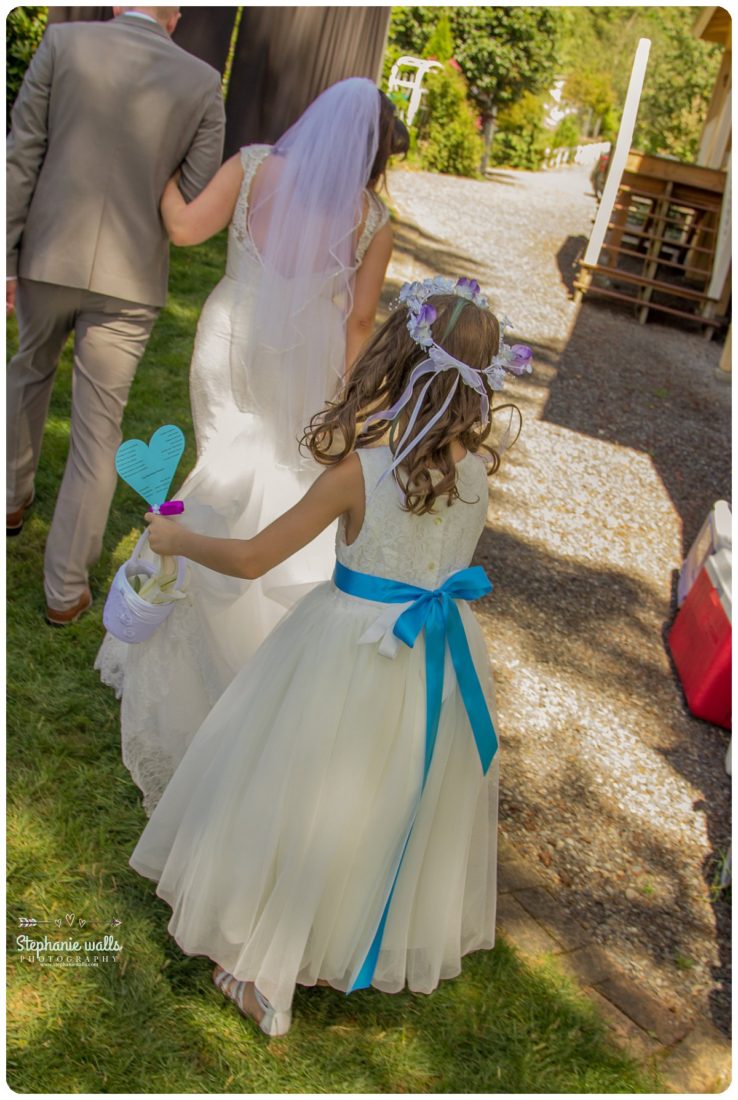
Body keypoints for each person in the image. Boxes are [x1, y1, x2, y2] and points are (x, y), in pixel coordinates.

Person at [127, 276, 532, 1037]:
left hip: (349, 648)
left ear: (396, 360)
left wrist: (176, 539)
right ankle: (348, 936)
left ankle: (263, 974)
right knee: (377, 808)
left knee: (303, 797)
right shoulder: (476, 474)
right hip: (435, 664)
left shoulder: (363, 470)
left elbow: (252, 559)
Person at [95, 78, 409, 813]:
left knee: (221, 470)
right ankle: (250, 646)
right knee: (275, 477)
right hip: (303, 358)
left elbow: (182, 228)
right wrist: (349, 404)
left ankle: (170, 606)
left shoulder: (255, 164)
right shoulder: (374, 218)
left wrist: (166, 169)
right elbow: (360, 325)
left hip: (228, 336)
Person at [6, 7, 226, 625]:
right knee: (99, 431)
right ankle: (65, 590)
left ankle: (10, 498)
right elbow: (195, 186)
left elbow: (23, 153)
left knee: (27, 370)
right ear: (175, 16)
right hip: (131, 276)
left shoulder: (62, 42)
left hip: (48, 251)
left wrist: (5, 252)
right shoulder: (203, 82)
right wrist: (146, 171)